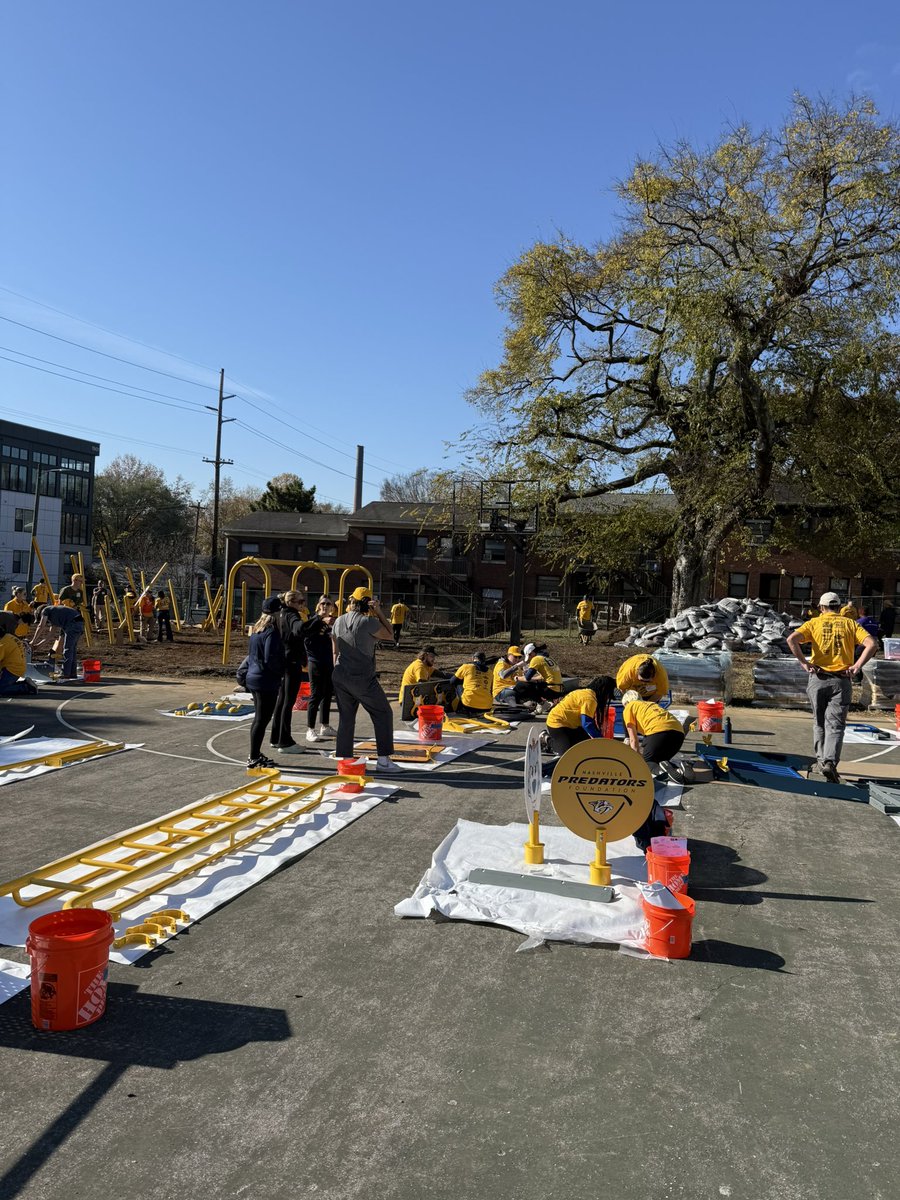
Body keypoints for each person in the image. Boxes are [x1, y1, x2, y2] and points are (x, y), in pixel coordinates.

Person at [786, 590, 879, 783]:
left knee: (819, 722)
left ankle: (821, 762)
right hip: (841, 680)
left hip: (818, 678)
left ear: (821, 607)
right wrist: (857, 666)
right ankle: (830, 762)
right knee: (835, 725)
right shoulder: (850, 624)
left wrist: (804, 663)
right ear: (839, 607)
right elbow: (872, 644)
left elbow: (791, 639)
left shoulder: (814, 623)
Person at [331, 586, 400, 772]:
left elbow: (335, 651)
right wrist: (379, 611)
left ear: (352, 600)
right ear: (368, 603)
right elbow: (390, 635)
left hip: (340, 673)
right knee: (383, 713)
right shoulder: (368, 621)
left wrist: (337, 672)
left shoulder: (338, 620)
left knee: (346, 718)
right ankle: (383, 761)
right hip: (361, 676)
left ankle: (346, 760)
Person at [243, 596, 287, 770]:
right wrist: (282, 670)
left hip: (254, 677)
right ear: (277, 613)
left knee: (259, 718)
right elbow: (270, 658)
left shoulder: (257, 630)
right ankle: (253, 757)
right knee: (262, 719)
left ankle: (255, 754)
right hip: (265, 680)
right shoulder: (271, 632)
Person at [545, 675, 616, 756]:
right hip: (557, 723)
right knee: (566, 754)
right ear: (604, 691)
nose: (607, 699)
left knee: (585, 746)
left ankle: (563, 740)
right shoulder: (590, 699)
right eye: (608, 696)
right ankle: (547, 739)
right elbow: (587, 723)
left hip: (571, 724)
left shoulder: (585, 692)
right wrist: (600, 739)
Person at [305, 596, 337, 743]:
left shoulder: (333, 622)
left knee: (327, 694)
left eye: (328, 604)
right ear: (318, 606)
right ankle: (310, 729)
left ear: (332, 607)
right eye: (322, 603)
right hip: (316, 662)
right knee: (316, 694)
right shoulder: (314, 620)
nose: (325, 606)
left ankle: (325, 725)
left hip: (329, 662)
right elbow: (306, 639)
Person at [32, 602, 84, 679]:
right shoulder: (56, 613)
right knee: (72, 649)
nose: (47, 622)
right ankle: (72, 673)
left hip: (72, 624)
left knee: (67, 649)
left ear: (40, 613)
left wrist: (33, 641)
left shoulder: (45, 610)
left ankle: (65, 673)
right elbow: (51, 635)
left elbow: (41, 626)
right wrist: (38, 645)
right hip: (79, 623)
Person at [513, 643, 563, 711]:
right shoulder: (547, 658)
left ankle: (542, 703)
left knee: (520, 685)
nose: (529, 658)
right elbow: (541, 677)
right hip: (559, 689)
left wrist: (517, 678)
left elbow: (527, 678)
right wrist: (532, 679)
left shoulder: (536, 659)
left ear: (532, 653)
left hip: (550, 690)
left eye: (529, 655)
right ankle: (545, 703)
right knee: (531, 684)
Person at [0, 612, 38, 696]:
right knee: (3, 686)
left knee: (1, 690)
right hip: (17, 667)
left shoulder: (3, 643)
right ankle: (24, 684)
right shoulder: (9, 635)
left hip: (12, 669)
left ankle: (26, 687)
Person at [451, 651, 495, 716]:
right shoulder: (490, 672)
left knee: (457, 683)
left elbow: (452, 681)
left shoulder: (466, 667)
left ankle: (460, 708)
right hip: (487, 707)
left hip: (469, 705)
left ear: (473, 658)